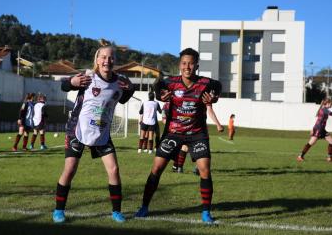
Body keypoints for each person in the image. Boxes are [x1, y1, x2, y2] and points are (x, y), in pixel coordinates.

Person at [135, 47, 222, 224]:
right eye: (184, 63)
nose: (187, 66)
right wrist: (161, 95)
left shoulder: (205, 83)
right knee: (156, 169)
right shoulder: (171, 82)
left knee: (205, 170)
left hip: (197, 134)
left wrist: (213, 97)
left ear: (196, 65)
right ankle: (144, 206)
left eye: (190, 63)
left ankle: (206, 212)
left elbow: (217, 86)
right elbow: (158, 84)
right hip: (173, 133)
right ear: (179, 65)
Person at [52, 40, 134, 223]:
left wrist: (131, 89)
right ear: (97, 60)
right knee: (70, 169)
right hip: (77, 130)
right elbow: (64, 86)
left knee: (114, 170)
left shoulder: (119, 82)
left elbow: (123, 99)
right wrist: (71, 82)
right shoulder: (88, 77)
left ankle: (116, 212)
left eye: (111, 57)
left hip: (102, 132)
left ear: (115, 61)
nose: (107, 60)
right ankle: (58, 210)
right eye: (103, 57)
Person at [172, 104, 223, 173]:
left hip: (188, 125)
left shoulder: (188, 96)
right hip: (199, 128)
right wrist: (218, 124)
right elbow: (210, 110)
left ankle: (179, 168)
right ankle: (197, 168)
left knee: (185, 146)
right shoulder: (204, 95)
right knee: (202, 147)